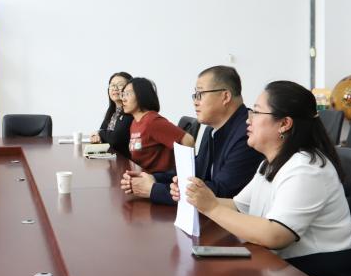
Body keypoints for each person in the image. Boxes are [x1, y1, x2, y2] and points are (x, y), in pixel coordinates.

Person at [175, 80, 351, 276]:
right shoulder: (271, 163)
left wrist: (211, 207)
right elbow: (238, 205)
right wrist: (195, 196)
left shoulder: (306, 169)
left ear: (284, 123)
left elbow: (276, 235)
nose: (248, 119)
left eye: (256, 112)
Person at [122, 66, 262, 204]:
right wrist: (154, 178)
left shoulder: (248, 134)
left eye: (200, 94)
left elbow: (221, 192)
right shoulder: (212, 130)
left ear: (225, 96)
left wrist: (153, 190)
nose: (195, 101)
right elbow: (196, 170)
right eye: (195, 95)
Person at [119, 77, 194, 173]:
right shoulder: (134, 122)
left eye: (127, 94)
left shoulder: (152, 122)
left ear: (141, 95)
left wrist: (184, 175)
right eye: (123, 94)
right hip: (141, 175)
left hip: (156, 179)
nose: (123, 99)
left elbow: (188, 140)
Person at [89, 72, 132, 145]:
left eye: (120, 85)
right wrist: (95, 136)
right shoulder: (112, 112)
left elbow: (115, 139)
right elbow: (103, 132)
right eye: (112, 85)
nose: (115, 88)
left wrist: (99, 133)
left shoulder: (130, 111)